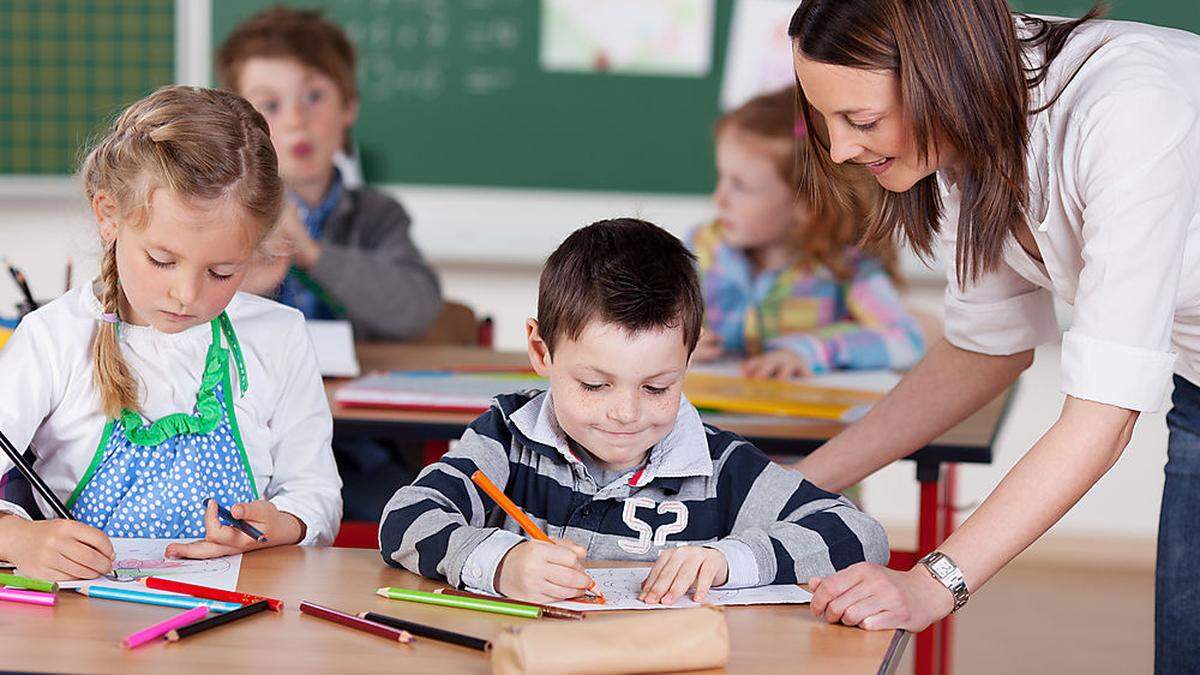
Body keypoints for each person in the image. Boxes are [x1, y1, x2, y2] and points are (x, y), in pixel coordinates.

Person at [787, 2, 1200, 671]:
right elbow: (986, 348)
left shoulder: (1129, 114)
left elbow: (1103, 417)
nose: (839, 151)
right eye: (825, 121)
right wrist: (795, 491)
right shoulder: (964, 139)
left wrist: (930, 583)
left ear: (943, 77)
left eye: (860, 121)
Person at [377, 218, 888, 603]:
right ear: (541, 352)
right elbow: (403, 519)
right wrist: (501, 562)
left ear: (688, 358)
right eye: (595, 384)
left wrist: (728, 559)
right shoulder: (508, 439)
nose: (625, 413)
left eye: (657, 387)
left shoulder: (721, 467)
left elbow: (858, 536)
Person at [0, 86, 343, 580]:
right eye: (162, 261)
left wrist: (282, 524)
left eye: (223, 272)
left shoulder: (278, 335)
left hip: (233, 617)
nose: (187, 294)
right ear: (108, 216)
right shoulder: (54, 338)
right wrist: (17, 537)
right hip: (83, 626)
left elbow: (317, 494)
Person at [216, 6, 442, 340]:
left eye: (314, 96)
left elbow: (418, 310)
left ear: (348, 106)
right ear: (241, 121)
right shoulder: (218, 210)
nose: (296, 120)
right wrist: (242, 280)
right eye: (271, 105)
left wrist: (311, 254)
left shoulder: (378, 216)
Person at [692, 87, 924, 378]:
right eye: (721, 177)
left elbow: (906, 340)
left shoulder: (846, 268)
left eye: (740, 186)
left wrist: (812, 350)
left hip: (809, 420)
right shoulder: (700, 251)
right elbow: (644, 323)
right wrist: (677, 343)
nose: (719, 199)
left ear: (807, 202)